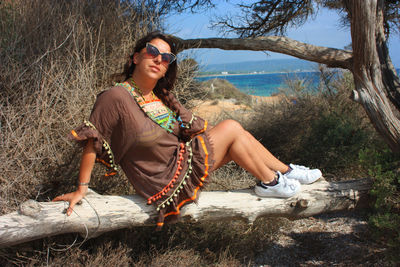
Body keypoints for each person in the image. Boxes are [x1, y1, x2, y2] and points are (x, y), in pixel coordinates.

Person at [53, 31, 322, 228]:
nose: (159, 59)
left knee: (238, 136)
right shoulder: (115, 97)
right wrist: (82, 188)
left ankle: (282, 174)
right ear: (135, 57)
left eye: (166, 57)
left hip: (178, 163)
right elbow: (92, 139)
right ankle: (272, 180)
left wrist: (208, 135)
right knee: (231, 127)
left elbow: (191, 130)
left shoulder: (160, 97)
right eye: (152, 52)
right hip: (162, 178)